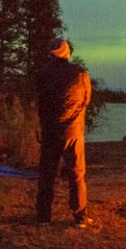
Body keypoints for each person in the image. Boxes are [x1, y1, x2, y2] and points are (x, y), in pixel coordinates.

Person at [34, 36, 92, 226]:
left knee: (47, 174)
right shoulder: (80, 74)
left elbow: (41, 101)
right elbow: (86, 100)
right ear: (67, 52)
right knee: (76, 174)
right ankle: (80, 217)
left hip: (51, 131)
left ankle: (43, 216)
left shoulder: (43, 74)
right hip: (72, 132)